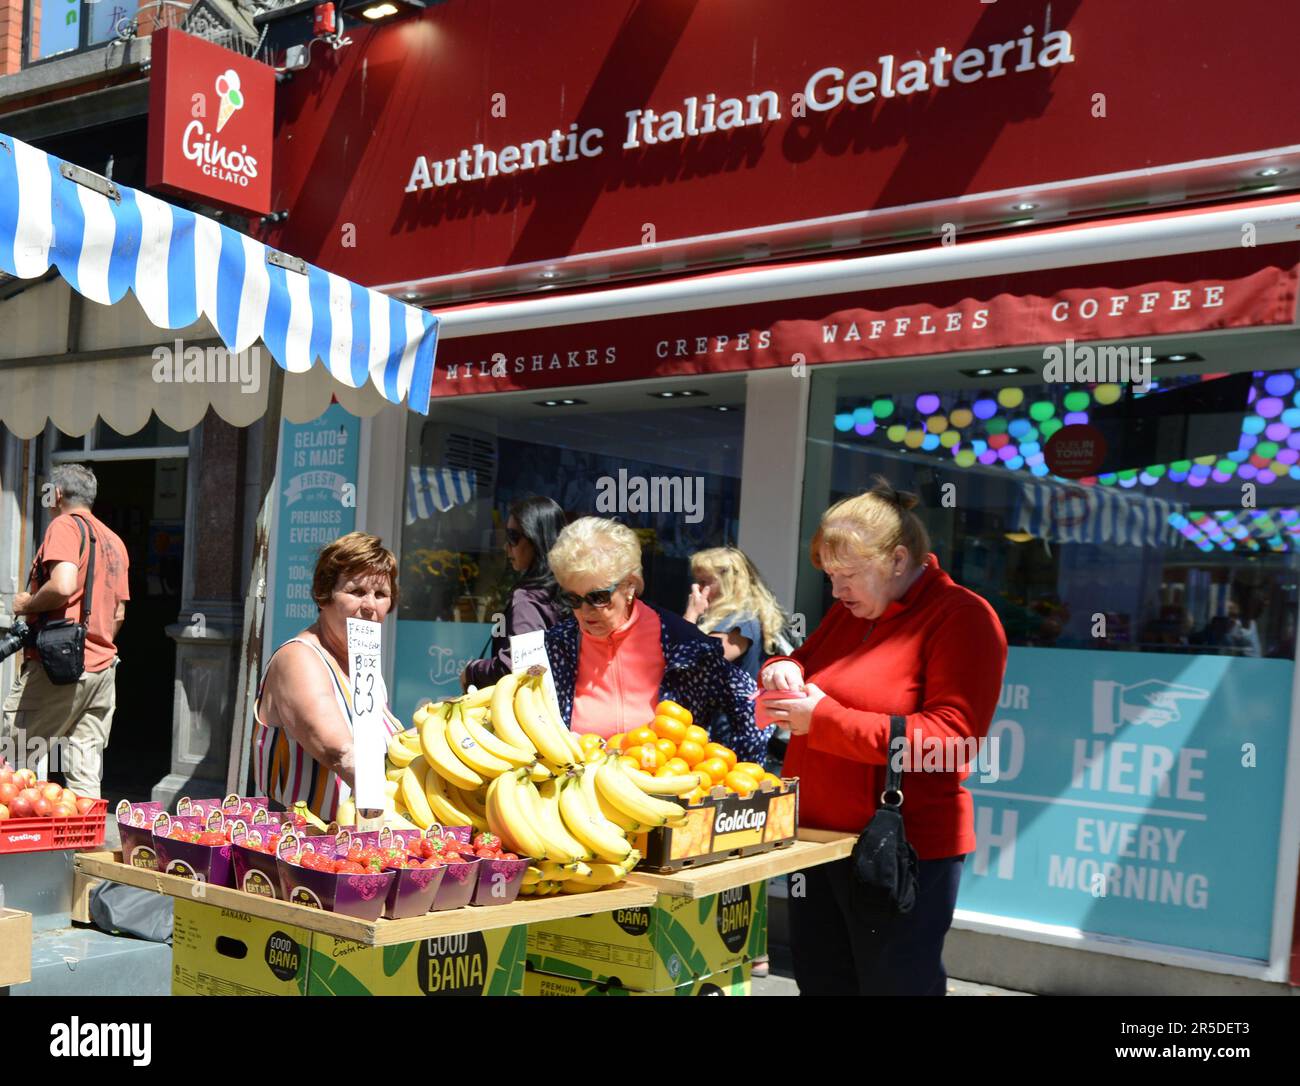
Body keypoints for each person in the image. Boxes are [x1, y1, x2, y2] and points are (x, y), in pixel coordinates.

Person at [760, 479, 1007, 996]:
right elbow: (809, 663)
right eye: (830, 576)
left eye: (847, 575)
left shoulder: (962, 617)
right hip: (818, 843)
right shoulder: (853, 610)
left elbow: (950, 741)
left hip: (898, 848)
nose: (836, 590)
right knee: (824, 985)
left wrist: (823, 721)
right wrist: (782, 666)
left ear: (898, 559)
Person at [543, 517, 769, 762]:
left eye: (598, 597)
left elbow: (752, 708)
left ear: (630, 586)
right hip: (580, 790)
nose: (584, 611)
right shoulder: (558, 645)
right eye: (573, 599)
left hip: (666, 789)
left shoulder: (683, 643)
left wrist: (732, 774)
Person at [252, 532, 404, 821]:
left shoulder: (363, 666)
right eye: (357, 592)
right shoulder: (299, 658)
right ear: (324, 596)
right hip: (298, 847)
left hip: (354, 845)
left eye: (381, 595)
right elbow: (337, 750)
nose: (371, 606)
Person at [2, 464, 130, 799]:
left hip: (58, 669)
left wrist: (25, 604)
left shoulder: (64, 526)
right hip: (102, 669)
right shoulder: (114, 541)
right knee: (85, 768)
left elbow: (62, 585)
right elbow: (118, 612)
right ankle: (83, 846)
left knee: (12, 758)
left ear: (56, 494)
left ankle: (16, 846)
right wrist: (91, 648)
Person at [461, 497, 566, 691]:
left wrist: (473, 671)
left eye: (512, 537)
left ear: (536, 539)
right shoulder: (573, 595)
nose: (506, 546)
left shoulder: (527, 600)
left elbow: (516, 668)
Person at [684, 546, 789, 681]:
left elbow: (691, 665)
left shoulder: (741, 622)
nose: (697, 588)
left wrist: (691, 614)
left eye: (704, 582)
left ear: (729, 583)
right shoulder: (740, 619)